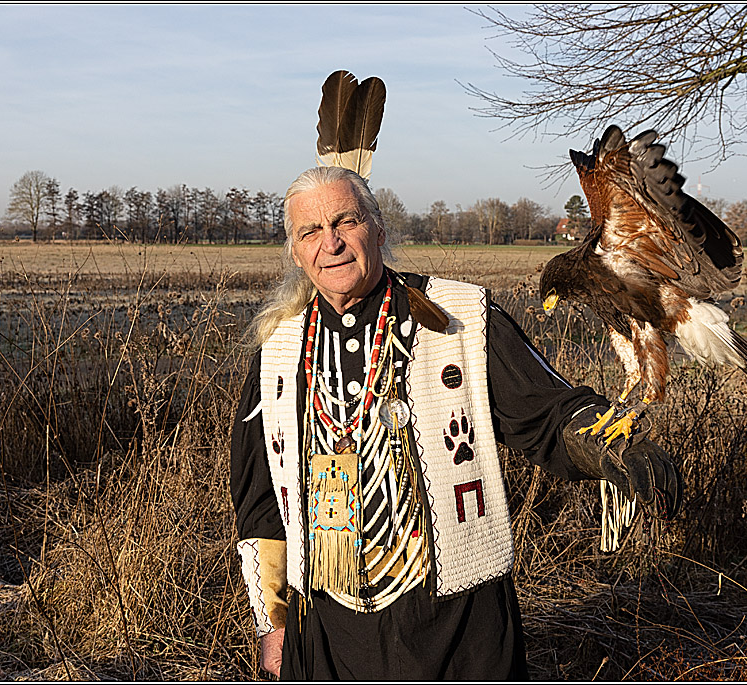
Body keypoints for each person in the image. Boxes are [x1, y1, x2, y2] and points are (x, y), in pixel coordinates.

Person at [230, 165, 682, 680]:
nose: (329, 243)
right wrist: (274, 622)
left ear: (378, 230)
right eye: (310, 231)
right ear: (294, 251)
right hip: (330, 631)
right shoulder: (279, 352)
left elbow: (545, 410)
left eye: (345, 222)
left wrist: (604, 441)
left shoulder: (458, 315)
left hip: (457, 623)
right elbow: (261, 502)